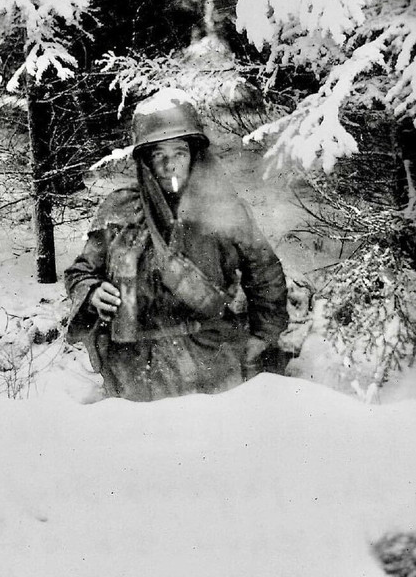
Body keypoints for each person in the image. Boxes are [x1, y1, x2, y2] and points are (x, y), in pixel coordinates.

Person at [64, 88, 289, 401]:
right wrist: (92, 293)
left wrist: (263, 337)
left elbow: (266, 274)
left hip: (212, 366)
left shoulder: (224, 210)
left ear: (194, 155)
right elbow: (80, 272)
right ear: (146, 163)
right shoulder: (120, 210)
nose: (170, 165)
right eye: (160, 156)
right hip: (138, 372)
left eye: (179, 153)